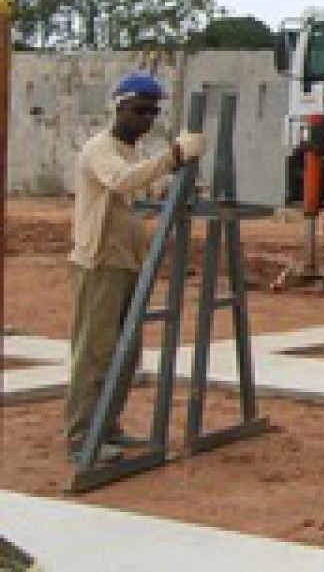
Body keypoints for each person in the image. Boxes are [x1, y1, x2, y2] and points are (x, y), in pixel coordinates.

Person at [65, 71, 204, 463]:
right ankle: (80, 436)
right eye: (139, 110)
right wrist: (172, 156)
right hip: (99, 263)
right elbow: (123, 182)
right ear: (120, 108)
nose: (145, 119)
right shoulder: (100, 150)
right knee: (95, 352)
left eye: (152, 112)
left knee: (125, 354)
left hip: (129, 262)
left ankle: (107, 426)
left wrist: (180, 178)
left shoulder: (132, 154)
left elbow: (148, 188)